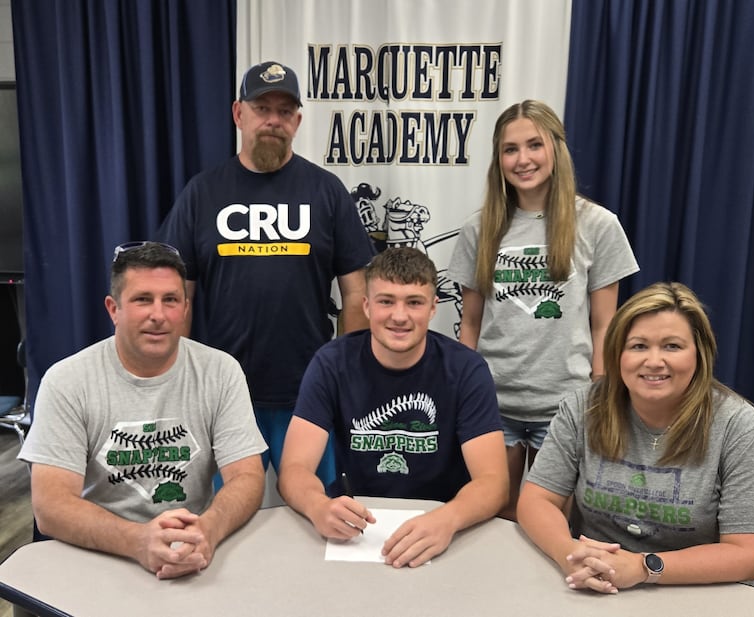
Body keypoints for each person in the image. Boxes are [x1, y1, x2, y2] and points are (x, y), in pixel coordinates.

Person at [158, 61, 375, 485]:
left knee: (323, 514)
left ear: (297, 120)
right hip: (225, 396)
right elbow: (176, 296)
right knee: (227, 518)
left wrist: (343, 373)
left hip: (309, 394)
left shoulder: (326, 191)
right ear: (239, 113)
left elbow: (356, 295)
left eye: (284, 110)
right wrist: (177, 377)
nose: (273, 120)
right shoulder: (203, 192)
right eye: (262, 108)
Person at [18, 241, 267, 580]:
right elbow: (50, 506)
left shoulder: (221, 371)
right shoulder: (67, 381)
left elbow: (247, 477)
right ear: (113, 309)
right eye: (142, 299)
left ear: (185, 307)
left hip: (192, 551)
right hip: (100, 554)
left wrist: (208, 530)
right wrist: (137, 541)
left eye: (170, 300)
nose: (158, 315)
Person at [516, 282, 754, 593]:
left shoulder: (739, 426)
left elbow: (748, 555)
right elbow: (536, 500)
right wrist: (568, 554)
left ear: (699, 354)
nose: (654, 361)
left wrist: (644, 567)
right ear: (618, 354)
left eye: (672, 346)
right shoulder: (583, 407)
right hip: (596, 587)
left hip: (700, 593)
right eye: (639, 346)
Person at [447, 99, 639, 519]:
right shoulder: (480, 228)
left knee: (549, 528)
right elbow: (471, 323)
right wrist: (465, 393)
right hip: (493, 403)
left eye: (534, 145)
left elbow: (606, 324)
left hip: (566, 405)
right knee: (496, 526)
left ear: (556, 148)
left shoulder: (598, 225)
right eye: (510, 149)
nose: (523, 159)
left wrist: (600, 397)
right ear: (499, 160)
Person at [277, 247, 509, 568]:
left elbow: (494, 481)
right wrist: (318, 506)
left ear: (432, 308)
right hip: (358, 528)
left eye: (414, 302)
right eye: (386, 301)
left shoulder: (466, 369)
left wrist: (449, 519)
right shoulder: (331, 363)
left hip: (442, 522)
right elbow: (295, 468)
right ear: (367, 306)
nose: (399, 316)